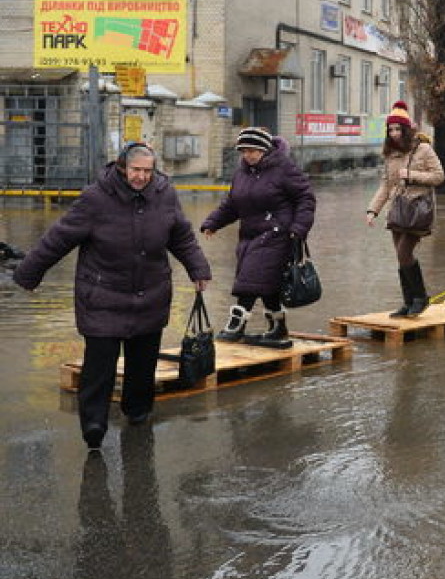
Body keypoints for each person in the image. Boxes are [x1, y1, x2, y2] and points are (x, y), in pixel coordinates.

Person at [13, 143, 212, 449]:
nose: (142, 177)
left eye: (148, 171)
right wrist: (30, 273)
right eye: (136, 170)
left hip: (151, 293)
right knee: (99, 365)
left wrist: (198, 269)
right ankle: (94, 424)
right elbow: (59, 238)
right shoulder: (96, 198)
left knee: (143, 362)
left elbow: (181, 236)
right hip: (103, 294)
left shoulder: (166, 194)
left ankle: (138, 412)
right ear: (122, 168)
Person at [201, 127, 315, 348]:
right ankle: (278, 328)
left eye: (253, 150)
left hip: (278, 233)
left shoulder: (284, 168)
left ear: (264, 149)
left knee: (251, 277)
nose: (248, 155)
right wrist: (213, 223)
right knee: (265, 282)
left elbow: (305, 198)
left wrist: (300, 227)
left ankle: (236, 325)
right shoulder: (241, 173)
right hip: (250, 235)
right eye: (244, 151)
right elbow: (232, 204)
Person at [365, 101, 445, 315]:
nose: (394, 133)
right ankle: (408, 302)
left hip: (418, 209)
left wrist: (412, 175)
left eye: (398, 129)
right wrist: (373, 210)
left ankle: (421, 297)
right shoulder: (390, 154)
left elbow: (439, 176)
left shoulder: (423, 149)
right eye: (390, 129)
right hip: (398, 210)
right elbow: (386, 185)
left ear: (406, 129)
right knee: (401, 257)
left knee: (404, 252)